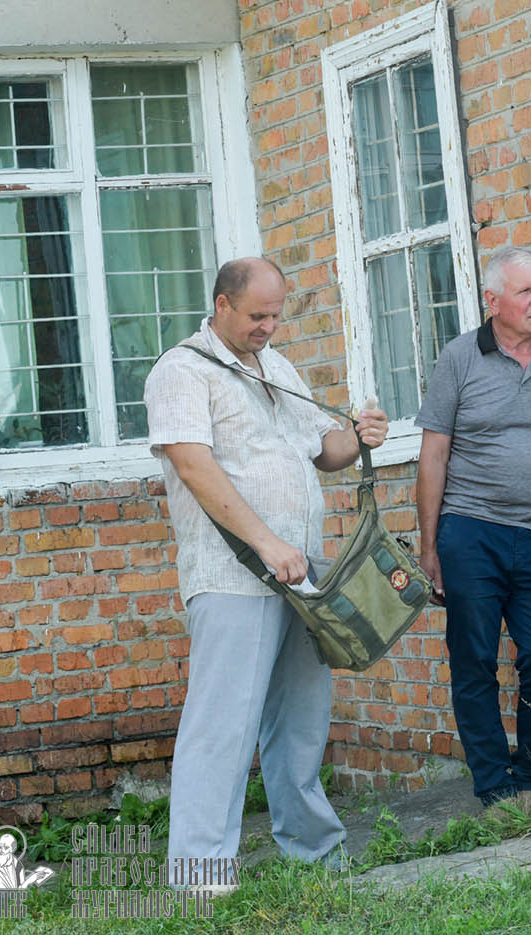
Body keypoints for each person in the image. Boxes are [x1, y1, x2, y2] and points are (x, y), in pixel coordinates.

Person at [144, 257, 388, 882]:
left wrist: (358, 436)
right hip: (234, 575)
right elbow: (195, 467)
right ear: (222, 304)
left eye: (277, 315)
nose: (269, 326)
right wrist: (268, 542)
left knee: (301, 721)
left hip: (300, 576)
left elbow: (322, 451)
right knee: (221, 727)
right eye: (258, 315)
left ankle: (315, 853)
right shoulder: (180, 370)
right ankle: (200, 876)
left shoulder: (275, 366)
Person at [415, 246, 531, 810]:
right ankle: (495, 785)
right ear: (492, 301)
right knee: (473, 658)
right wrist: (429, 545)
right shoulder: (459, 358)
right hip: (470, 530)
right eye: (526, 292)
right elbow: (433, 455)